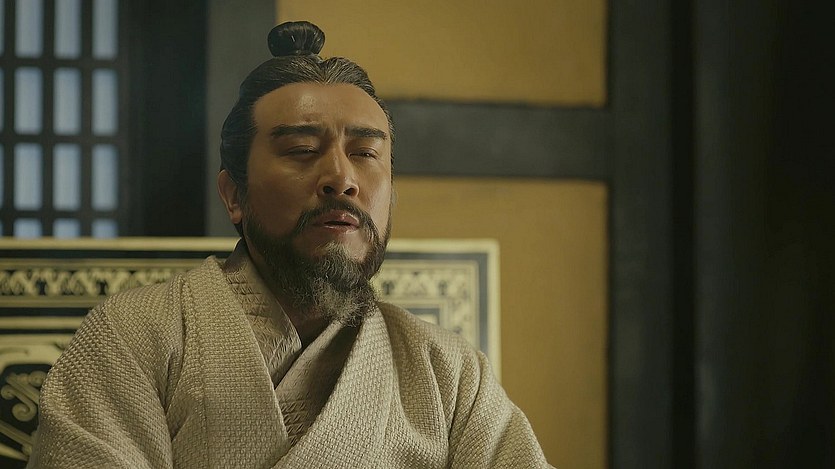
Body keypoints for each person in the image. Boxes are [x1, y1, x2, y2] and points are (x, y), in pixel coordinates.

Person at [28, 21, 552, 468]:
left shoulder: (448, 372)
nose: (341, 179)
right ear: (234, 195)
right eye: (302, 150)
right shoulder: (132, 337)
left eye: (365, 154)